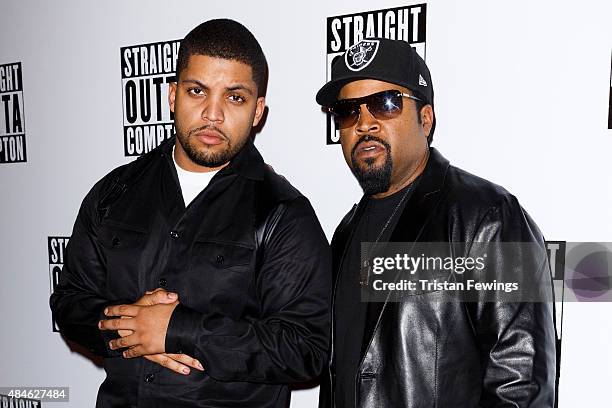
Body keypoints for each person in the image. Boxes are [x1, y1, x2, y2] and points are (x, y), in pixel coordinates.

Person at [50, 19, 330, 408]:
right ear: (172, 95)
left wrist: (177, 330)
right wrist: (129, 326)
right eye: (197, 91)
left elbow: (304, 349)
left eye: (234, 97)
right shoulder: (114, 193)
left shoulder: (283, 213)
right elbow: (70, 302)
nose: (212, 114)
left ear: (257, 111)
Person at [315, 38, 556, 407]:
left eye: (386, 103)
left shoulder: (488, 217)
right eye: (348, 112)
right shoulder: (345, 233)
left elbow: (520, 385)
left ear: (425, 119)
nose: (365, 123)